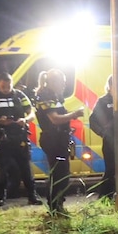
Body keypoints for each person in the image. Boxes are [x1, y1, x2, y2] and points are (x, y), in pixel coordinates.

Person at [34, 68, 85, 214]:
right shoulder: (45, 96)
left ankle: (58, 204)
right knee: (58, 174)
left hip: (59, 139)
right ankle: (54, 206)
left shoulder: (55, 97)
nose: (64, 85)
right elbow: (55, 119)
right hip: (53, 140)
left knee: (63, 173)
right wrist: (74, 114)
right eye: (62, 82)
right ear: (53, 82)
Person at [0, 72, 40, 206]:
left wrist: (25, 120)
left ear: (11, 82)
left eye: (8, 85)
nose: (5, 88)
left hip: (20, 136)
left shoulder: (20, 95)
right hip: (3, 137)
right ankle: (0, 198)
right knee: (2, 169)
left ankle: (32, 196)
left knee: (26, 168)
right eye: (2, 86)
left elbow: (31, 113)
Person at [88, 74, 117, 200]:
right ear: (109, 86)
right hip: (109, 141)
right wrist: (103, 132)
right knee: (111, 170)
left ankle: (113, 195)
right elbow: (92, 121)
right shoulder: (103, 101)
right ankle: (104, 196)